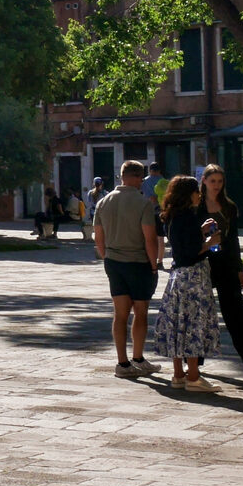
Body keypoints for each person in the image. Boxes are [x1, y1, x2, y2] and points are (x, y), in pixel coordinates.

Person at [93, 160, 162, 378]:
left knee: (120, 313)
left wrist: (107, 257)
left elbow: (98, 237)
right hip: (138, 263)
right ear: (137, 177)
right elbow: (150, 239)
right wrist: (154, 265)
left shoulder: (104, 202)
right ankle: (138, 357)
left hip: (114, 262)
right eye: (141, 178)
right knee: (140, 312)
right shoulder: (143, 204)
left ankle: (122, 363)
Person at [154, 174, 223, 391]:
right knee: (195, 323)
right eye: (196, 191)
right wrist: (211, 241)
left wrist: (200, 231)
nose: (199, 195)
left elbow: (184, 243)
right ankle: (193, 376)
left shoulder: (173, 216)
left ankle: (178, 374)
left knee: (177, 324)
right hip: (194, 277)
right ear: (188, 194)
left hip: (178, 277)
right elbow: (193, 251)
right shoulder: (189, 217)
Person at [202, 164, 243, 374]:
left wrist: (239, 268)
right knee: (198, 312)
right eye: (212, 181)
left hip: (225, 262)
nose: (216, 186)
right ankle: (193, 361)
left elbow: (233, 239)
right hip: (201, 261)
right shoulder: (195, 205)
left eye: (220, 182)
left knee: (235, 311)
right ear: (204, 181)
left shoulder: (229, 206)